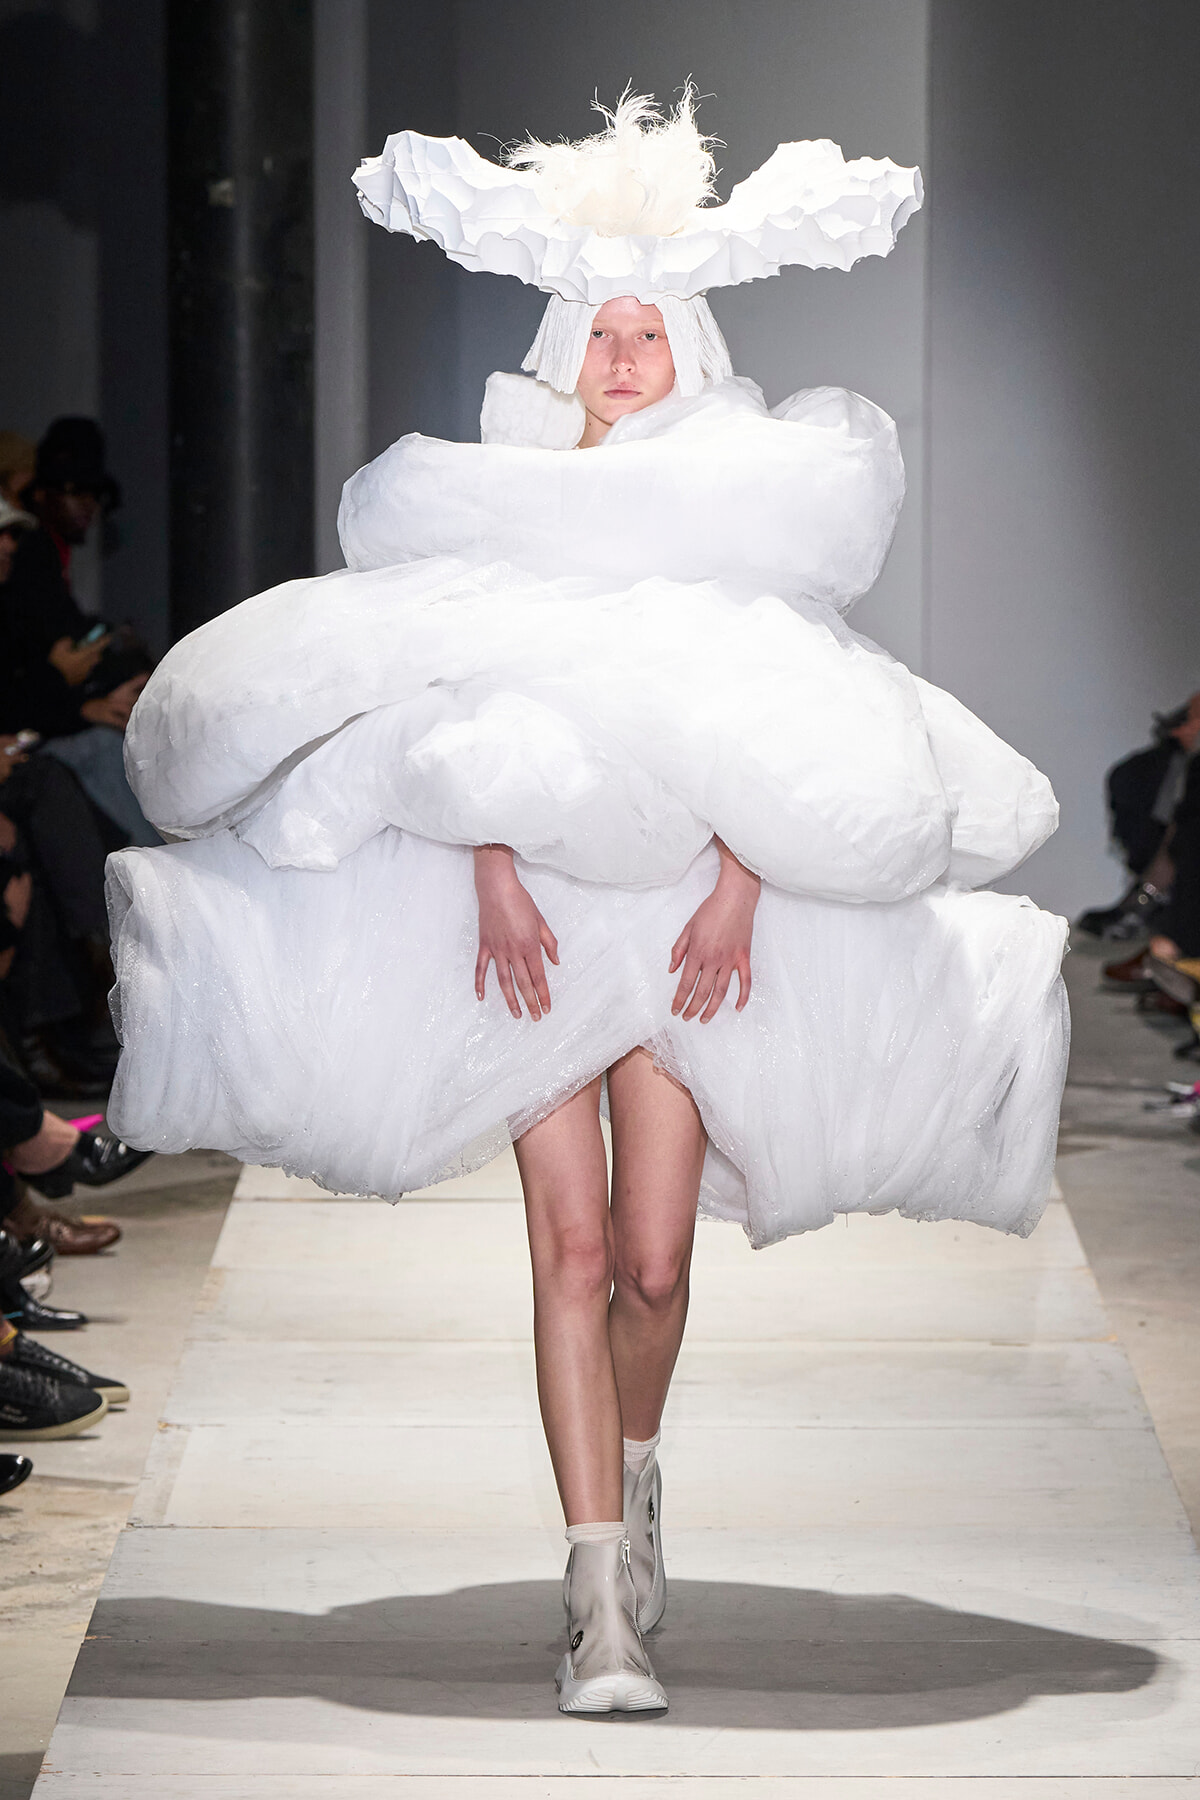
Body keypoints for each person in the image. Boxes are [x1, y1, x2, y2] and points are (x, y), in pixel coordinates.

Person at [104, 92, 1069, 1715]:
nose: (623, 354)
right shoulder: (512, 513)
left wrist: (746, 889)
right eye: (600, 331)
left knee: (655, 1264)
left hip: (692, 916)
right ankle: (596, 1590)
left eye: (647, 330)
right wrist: (487, 870)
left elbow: (790, 721)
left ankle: (638, 1476)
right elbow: (456, 709)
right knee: (563, 1245)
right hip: (538, 916)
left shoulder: (730, 528)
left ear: (686, 348)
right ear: (569, 349)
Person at [0, 418, 156, 847]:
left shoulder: (42, 554)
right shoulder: (34, 556)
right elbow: (28, 683)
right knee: (101, 755)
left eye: (92, 494)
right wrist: (80, 703)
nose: (86, 505)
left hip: (40, 728)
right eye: (73, 491)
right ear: (37, 491)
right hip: (37, 740)